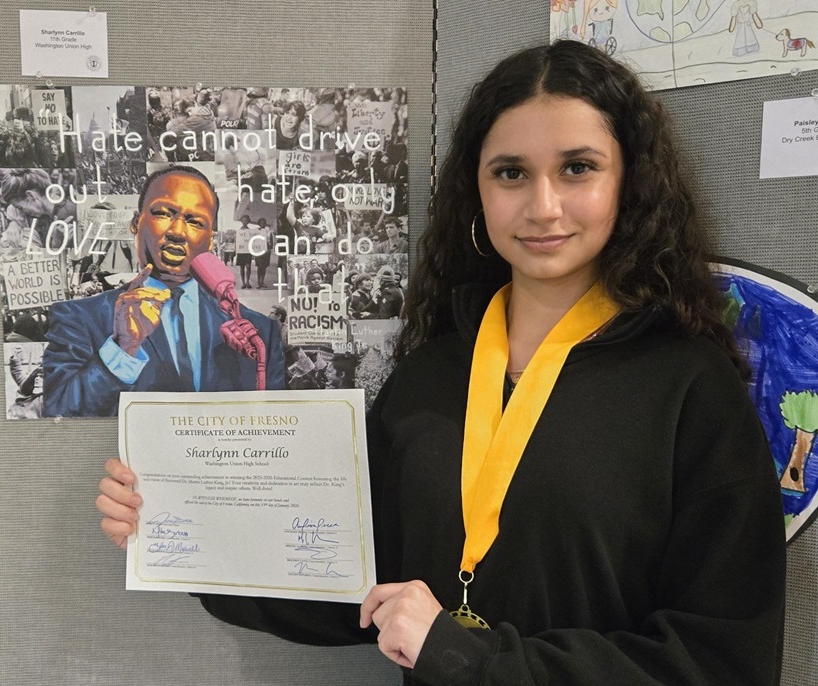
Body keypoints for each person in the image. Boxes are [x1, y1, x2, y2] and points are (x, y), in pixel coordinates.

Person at [96, 41, 786, 685]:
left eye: (578, 168)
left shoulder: (690, 387)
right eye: (511, 172)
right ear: (476, 192)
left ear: (628, 181)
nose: (543, 206)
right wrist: (179, 530)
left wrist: (466, 656)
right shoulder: (431, 373)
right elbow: (347, 585)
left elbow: (721, 661)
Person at [43, 166, 285, 417]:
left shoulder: (259, 334)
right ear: (136, 222)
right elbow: (58, 419)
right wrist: (122, 348)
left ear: (211, 239)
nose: (177, 232)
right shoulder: (78, 318)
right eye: (162, 213)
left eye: (195, 221)